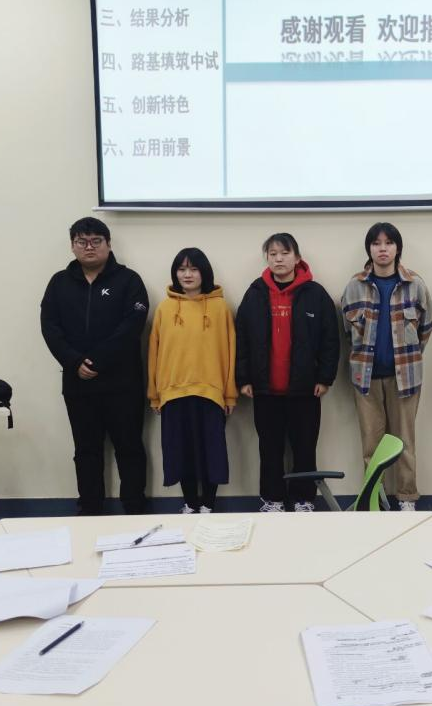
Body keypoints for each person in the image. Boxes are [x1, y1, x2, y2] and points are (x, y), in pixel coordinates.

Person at [40, 217, 149, 515]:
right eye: (82, 241)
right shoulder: (59, 283)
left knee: (129, 447)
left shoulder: (129, 280)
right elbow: (50, 327)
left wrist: (99, 360)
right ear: (72, 246)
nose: (89, 247)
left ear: (108, 244)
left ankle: (134, 508)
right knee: (86, 450)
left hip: (123, 384)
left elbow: (132, 325)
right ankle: (90, 510)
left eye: (96, 241)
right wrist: (74, 361)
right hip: (78, 383)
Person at [235, 233, 339, 512]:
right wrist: (243, 379)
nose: (278, 259)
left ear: (297, 258)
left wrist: (325, 377)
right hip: (265, 390)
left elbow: (330, 339)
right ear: (267, 258)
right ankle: (273, 499)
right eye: (273, 254)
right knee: (270, 449)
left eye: (284, 253)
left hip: (305, 390)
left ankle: (304, 499)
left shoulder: (315, 294)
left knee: (305, 448)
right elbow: (241, 338)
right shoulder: (255, 293)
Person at [340, 222, 432, 511]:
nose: (382, 249)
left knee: (404, 443)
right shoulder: (354, 286)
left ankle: (406, 499)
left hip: (405, 378)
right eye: (376, 243)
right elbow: (347, 330)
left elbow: (426, 329)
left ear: (397, 248)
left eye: (389, 243)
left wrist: (406, 358)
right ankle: (374, 501)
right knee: (371, 446)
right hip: (365, 379)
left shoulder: (415, 285)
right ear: (369, 249)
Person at [147, 248, 237, 513]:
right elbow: (154, 353)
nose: (187, 275)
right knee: (180, 451)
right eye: (182, 269)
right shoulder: (165, 308)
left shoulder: (220, 308)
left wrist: (229, 394)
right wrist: (155, 394)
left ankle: (208, 504)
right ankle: (189, 504)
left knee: (212, 451)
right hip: (173, 393)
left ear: (204, 272)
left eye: (194, 269)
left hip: (211, 392)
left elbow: (230, 351)